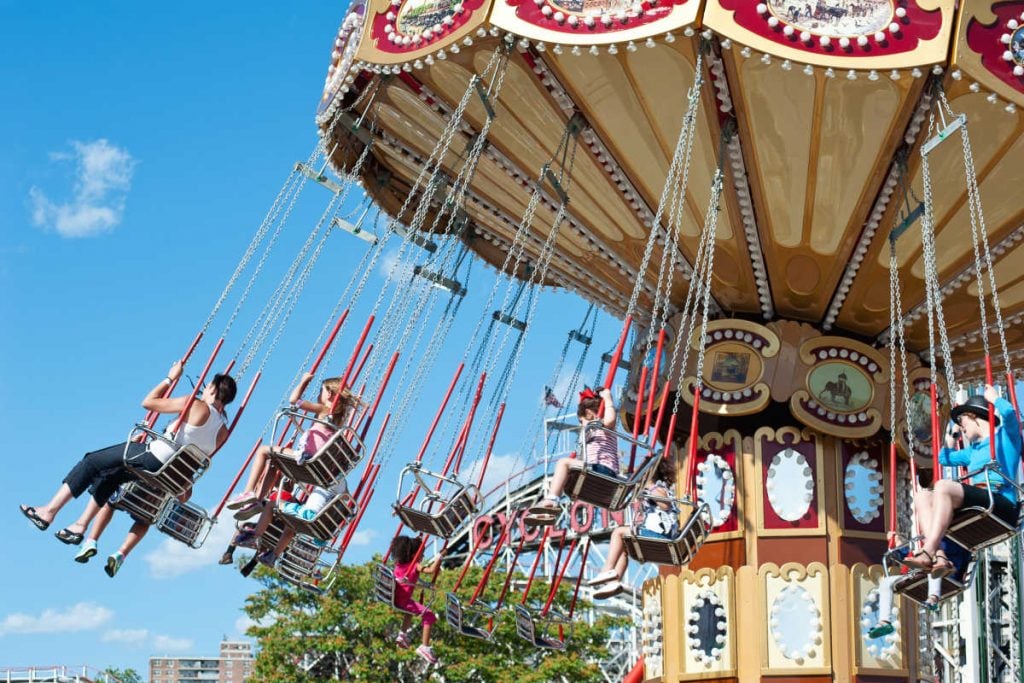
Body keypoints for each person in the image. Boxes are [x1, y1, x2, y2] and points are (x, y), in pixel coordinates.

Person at [21, 362, 236, 563]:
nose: (204, 387)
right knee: (112, 476)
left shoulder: (196, 404)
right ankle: (80, 526)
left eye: (207, 385)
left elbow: (148, 402)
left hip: (154, 458)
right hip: (169, 476)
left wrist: (170, 379)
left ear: (213, 390)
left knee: (91, 461)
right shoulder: (223, 432)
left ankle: (48, 511)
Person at [904, 385, 1022, 574]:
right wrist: (953, 435)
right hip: (980, 501)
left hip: (1001, 502)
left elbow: (1009, 414)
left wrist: (994, 399)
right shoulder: (972, 451)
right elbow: (944, 458)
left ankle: (928, 550)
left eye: (962, 419)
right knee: (922, 497)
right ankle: (940, 557)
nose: (962, 425)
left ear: (974, 416)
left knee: (943, 486)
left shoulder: (1006, 437)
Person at [226, 373, 355, 520]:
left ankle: (249, 491)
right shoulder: (338, 419)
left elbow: (294, 400)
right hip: (317, 463)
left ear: (330, 394)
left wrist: (303, 381)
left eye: (321, 392)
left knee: (263, 450)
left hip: (307, 458)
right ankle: (257, 501)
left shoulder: (324, 409)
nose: (319, 395)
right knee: (275, 463)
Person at [588, 457, 679, 599]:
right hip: (657, 534)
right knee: (623, 545)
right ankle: (614, 581)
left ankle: (607, 569)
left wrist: (648, 486)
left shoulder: (656, 487)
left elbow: (665, 505)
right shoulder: (651, 488)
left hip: (660, 535)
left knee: (618, 532)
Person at [526, 386, 618, 524]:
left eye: (581, 422)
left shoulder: (602, 426)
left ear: (589, 414)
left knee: (563, 463)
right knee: (566, 473)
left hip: (604, 470)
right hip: (595, 471)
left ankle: (551, 500)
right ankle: (549, 508)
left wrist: (608, 399)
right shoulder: (589, 433)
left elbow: (611, 420)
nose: (581, 425)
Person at [868, 531, 973, 638]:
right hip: (922, 571)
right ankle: (884, 622)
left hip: (947, 573)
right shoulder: (925, 539)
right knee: (886, 583)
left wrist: (936, 547)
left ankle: (933, 598)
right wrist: (898, 543)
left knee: (934, 565)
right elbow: (910, 557)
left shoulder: (954, 541)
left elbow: (962, 556)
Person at [390, 535, 442, 665]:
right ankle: (424, 646)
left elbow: (410, 580)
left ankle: (402, 634)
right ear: (414, 555)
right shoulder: (415, 566)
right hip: (403, 601)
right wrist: (439, 557)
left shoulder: (400, 565)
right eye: (422, 554)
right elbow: (431, 570)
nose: (423, 557)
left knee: (411, 610)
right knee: (429, 615)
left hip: (397, 599)